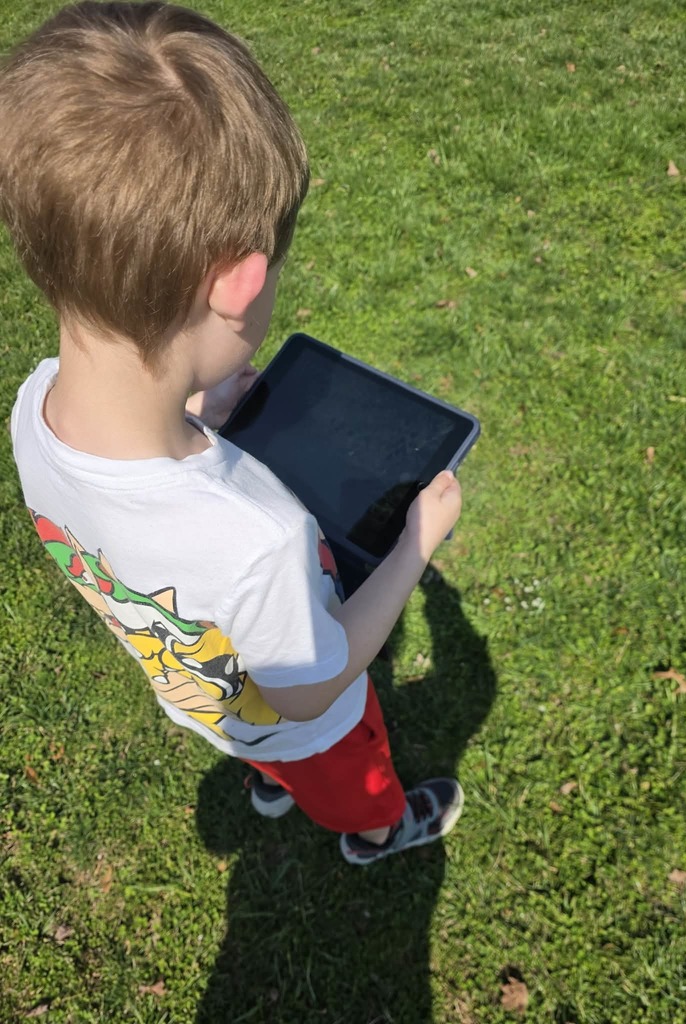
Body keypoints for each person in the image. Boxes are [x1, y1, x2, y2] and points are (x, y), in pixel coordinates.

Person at [2, 1, 464, 865]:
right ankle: (376, 832)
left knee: (263, 742)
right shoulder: (260, 538)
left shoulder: (34, 410)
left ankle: (268, 782)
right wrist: (413, 549)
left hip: (202, 703)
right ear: (241, 285)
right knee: (346, 770)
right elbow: (313, 685)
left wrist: (196, 419)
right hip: (307, 724)